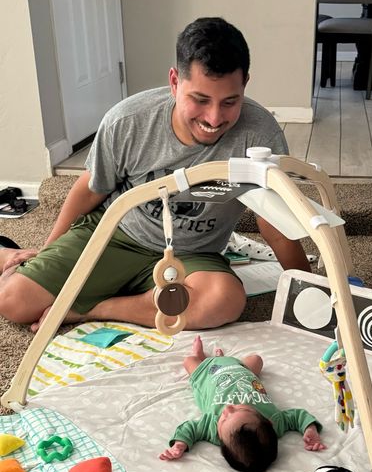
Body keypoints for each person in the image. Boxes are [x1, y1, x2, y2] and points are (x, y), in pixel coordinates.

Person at [0, 17, 310, 333]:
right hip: (117, 236)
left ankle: (91, 310)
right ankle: (9, 254)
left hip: (193, 254)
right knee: (13, 300)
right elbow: (91, 189)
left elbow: (276, 228)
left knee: (224, 300)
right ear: (175, 82)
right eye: (200, 100)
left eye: (230, 102)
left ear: (245, 84)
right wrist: (49, 249)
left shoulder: (260, 135)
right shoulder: (128, 121)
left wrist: (314, 293)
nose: (214, 118)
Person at [159, 336, 325, 472]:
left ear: (220, 440)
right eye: (243, 408)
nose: (228, 408)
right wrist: (310, 429)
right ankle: (220, 357)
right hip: (242, 369)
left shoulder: (211, 426)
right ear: (268, 422)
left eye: (223, 420)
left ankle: (200, 355)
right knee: (257, 359)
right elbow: (297, 417)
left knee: (189, 361)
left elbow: (190, 429)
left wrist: (180, 444)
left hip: (208, 373)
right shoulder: (275, 420)